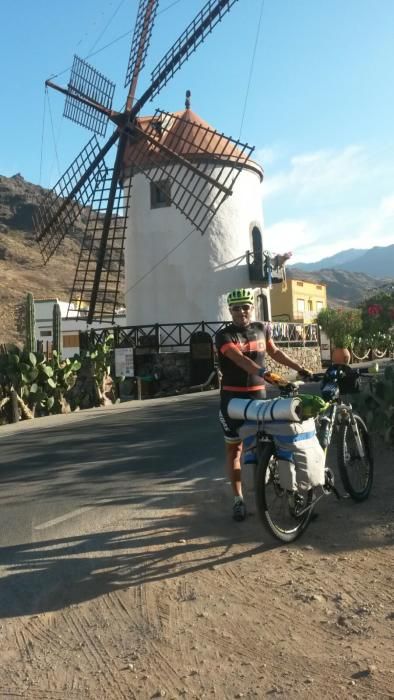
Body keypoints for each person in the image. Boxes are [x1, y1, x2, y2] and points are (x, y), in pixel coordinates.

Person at [215, 288, 312, 522]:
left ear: (252, 307)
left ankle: (285, 490)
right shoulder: (224, 335)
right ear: (230, 310)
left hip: (259, 397)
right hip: (233, 400)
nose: (241, 312)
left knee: (273, 443)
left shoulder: (261, 328)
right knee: (235, 450)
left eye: (245, 307)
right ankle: (238, 499)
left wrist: (299, 368)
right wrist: (265, 373)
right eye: (236, 308)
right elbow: (239, 359)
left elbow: (275, 351)